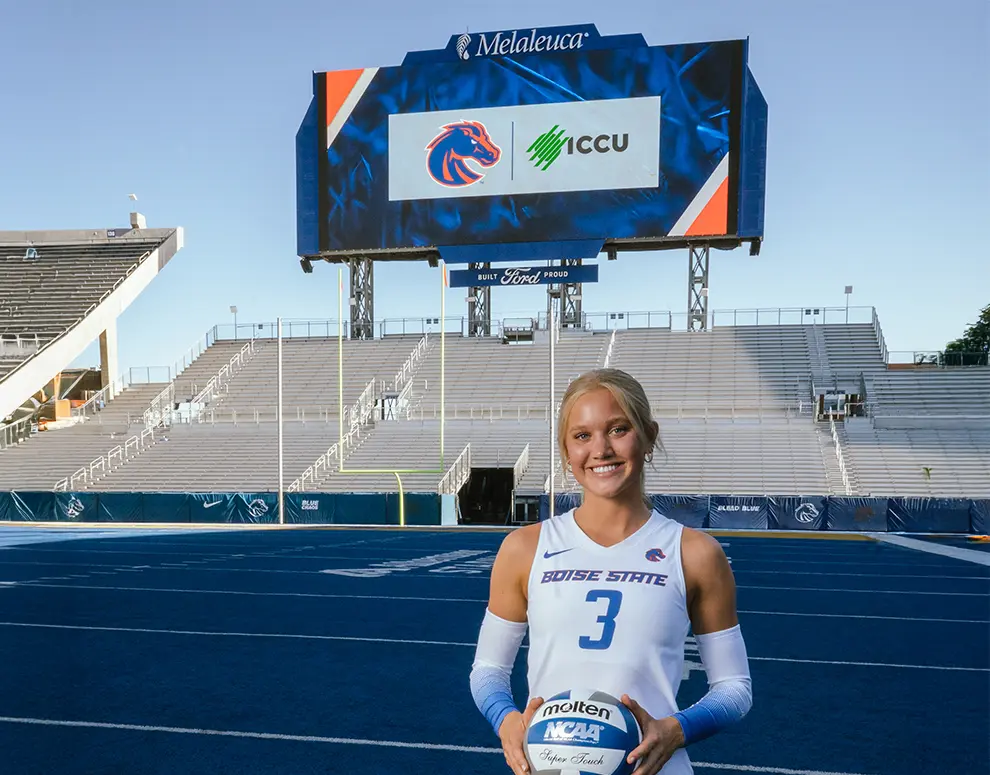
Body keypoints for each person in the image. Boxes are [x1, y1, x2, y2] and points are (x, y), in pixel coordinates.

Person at [469, 369, 752, 775]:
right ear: (566, 450)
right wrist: (506, 719)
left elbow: (735, 688)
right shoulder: (524, 548)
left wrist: (676, 730)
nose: (600, 449)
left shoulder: (694, 552)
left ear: (649, 436)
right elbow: (488, 671)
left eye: (618, 429)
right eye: (582, 436)